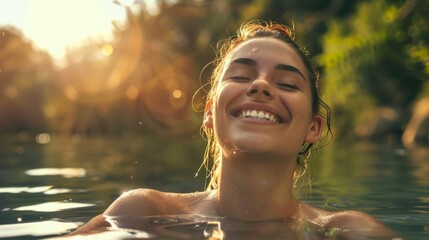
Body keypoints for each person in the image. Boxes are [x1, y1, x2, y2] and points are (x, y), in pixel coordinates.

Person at [68, 20, 395, 238]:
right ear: (210, 112)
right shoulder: (142, 213)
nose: (261, 86)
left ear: (313, 128)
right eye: (240, 75)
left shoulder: (347, 232)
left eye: (286, 83)